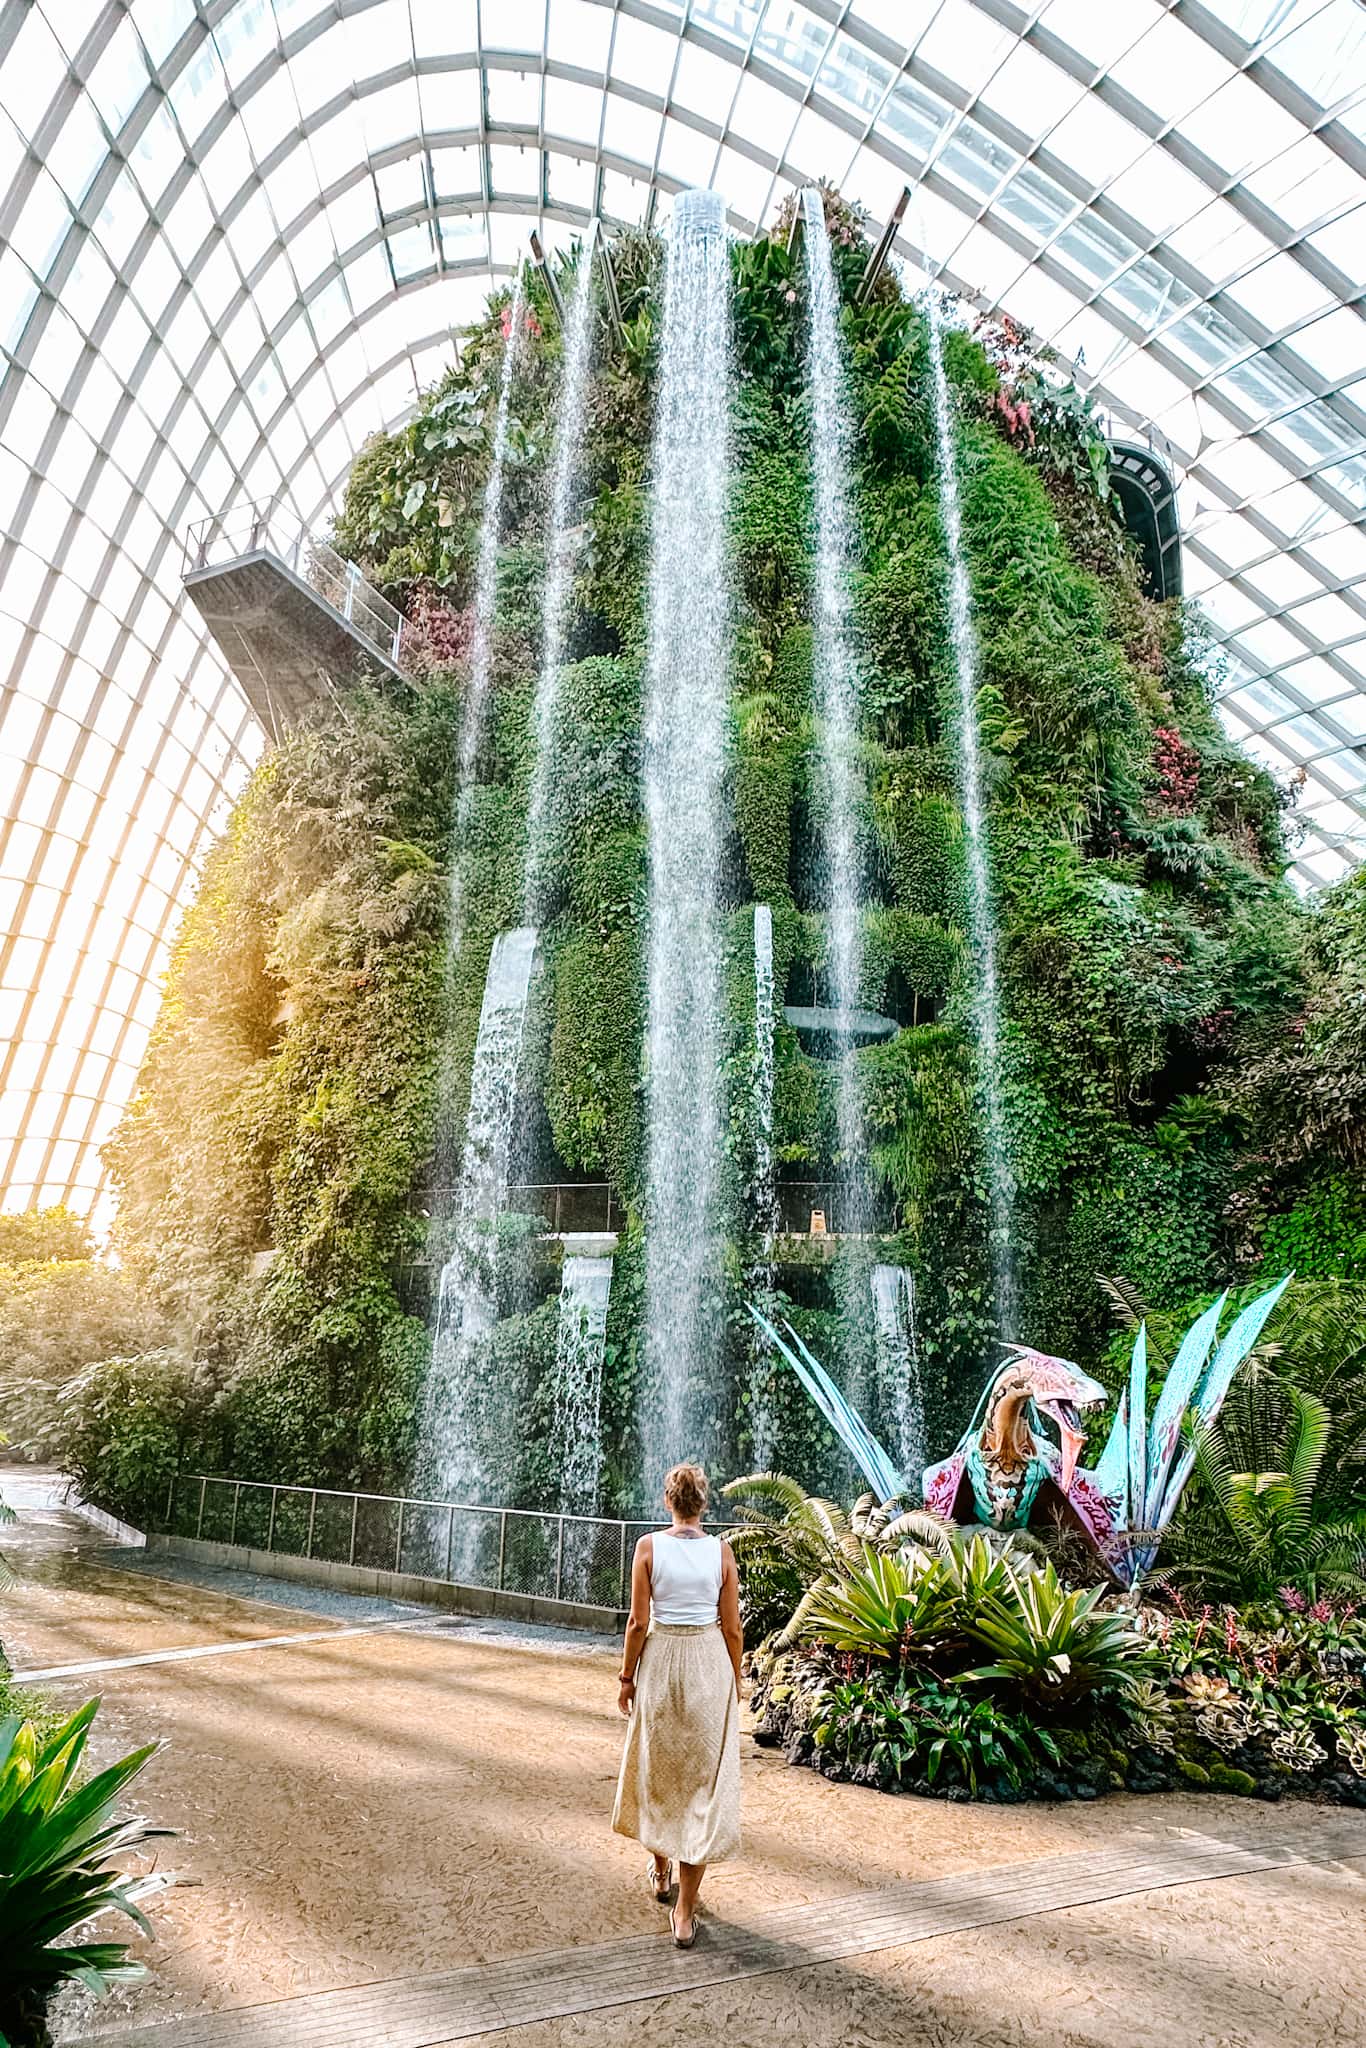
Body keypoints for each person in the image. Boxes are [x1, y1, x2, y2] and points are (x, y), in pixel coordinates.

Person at [612, 1461, 743, 1948]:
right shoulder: (722, 1553)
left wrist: (627, 1678)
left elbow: (637, 1624)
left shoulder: (648, 1548)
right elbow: (732, 1627)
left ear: (668, 1502)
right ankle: (685, 1912)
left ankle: (661, 1868)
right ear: (703, 1504)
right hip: (709, 1664)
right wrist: (737, 1675)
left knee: (657, 1769)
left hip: (663, 1661)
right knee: (701, 1786)